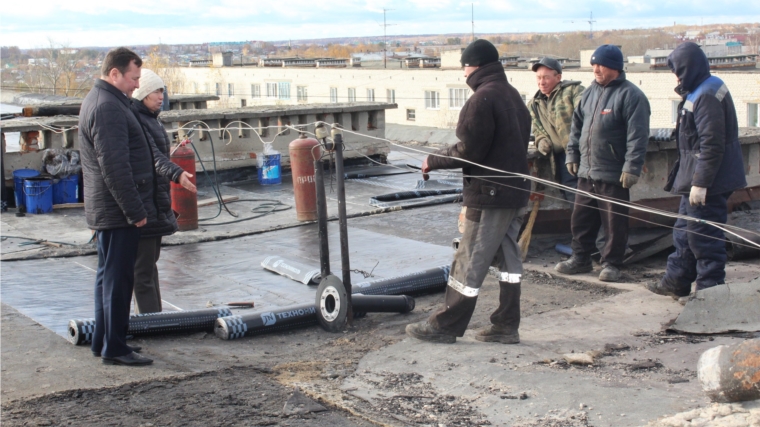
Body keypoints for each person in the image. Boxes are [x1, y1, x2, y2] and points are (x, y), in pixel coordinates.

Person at [405, 39, 531, 344]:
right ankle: (505, 325)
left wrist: (432, 159)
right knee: (509, 260)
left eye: (465, 66)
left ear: (476, 66)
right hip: (515, 193)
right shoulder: (512, 95)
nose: (463, 73)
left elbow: (468, 151)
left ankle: (445, 325)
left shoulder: (481, 99)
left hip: (489, 196)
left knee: (469, 258)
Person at [647, 42, 746, 299]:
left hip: (708, 181)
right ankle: (676, 281)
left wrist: (701, 183)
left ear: (688, 67)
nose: (677, 77)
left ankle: (709, 294)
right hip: (697, 177)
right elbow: (693, 133)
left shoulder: (706, 95)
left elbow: (711, 144)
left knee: (705, 239)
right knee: (685, 232)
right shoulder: (703, 88)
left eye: (678, 71)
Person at [79, 47, 155, 365]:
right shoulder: (108, 107)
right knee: (118, 278)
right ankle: (115, 347)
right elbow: (115, 167)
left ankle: (103, 340)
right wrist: (135, 211)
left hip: (108, 208)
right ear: (115, 74)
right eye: (134, 78)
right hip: (117, 210)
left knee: (107, 276)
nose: (137, 85)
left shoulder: (102, 100)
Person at [555, 44, 650, 282]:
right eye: (593, 64)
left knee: (614, 223)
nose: (596, 69)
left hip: (613, 172)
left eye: (601, 65)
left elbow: (637, 136)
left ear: (615, 67)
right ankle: (580, 259)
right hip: (586, 171)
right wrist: (572, 155)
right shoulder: (589, 93)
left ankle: (611, 264)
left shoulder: (631, 96)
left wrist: (631, 167)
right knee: (581, 219)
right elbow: (576, 128)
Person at [130, 69, 196, 314]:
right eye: (156, 91)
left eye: (162, 91)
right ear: (143, 92)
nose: (161, 96)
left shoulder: (150, 117)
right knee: (143, 270)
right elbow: (152, 157)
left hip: (154, 201)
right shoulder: (137, 118)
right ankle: (150, 322)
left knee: (149, 266)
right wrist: (177, 173)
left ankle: (154, 318)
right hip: (145, 203)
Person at [529, 57, 584, 201]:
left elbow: (588, 118)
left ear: (558, 77)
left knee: (589, 193)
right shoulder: (534, 103)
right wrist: (541, 141)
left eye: (546, 78)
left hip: (582, 153)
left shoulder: (573, 91)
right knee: (571, 192)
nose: (542, 82)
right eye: (539, 78)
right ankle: (582, 223)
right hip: (560, 158)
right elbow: (537, 130)